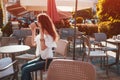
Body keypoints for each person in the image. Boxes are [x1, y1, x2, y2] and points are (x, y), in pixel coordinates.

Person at [21, 13, 59, 80]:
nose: (37, 22)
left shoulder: (49, 36)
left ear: (43, 23)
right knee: (23, 67)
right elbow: (33, 43)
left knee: (25, 70)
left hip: (47, 61)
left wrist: (41, 29)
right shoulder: (42, 33)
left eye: (38, 21)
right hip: (41, 58)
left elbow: (43, 47)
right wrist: (33, 30)